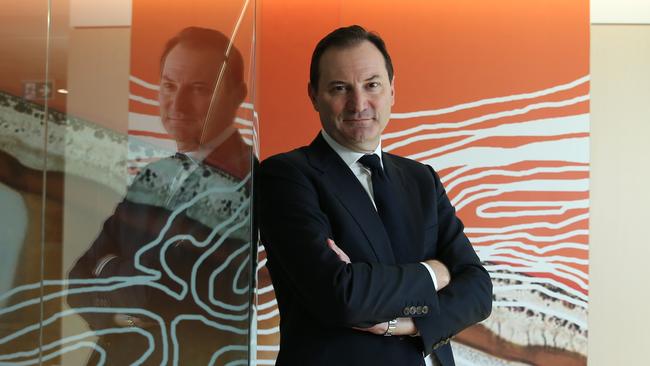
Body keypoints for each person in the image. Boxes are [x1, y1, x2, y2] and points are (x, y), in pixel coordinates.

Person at [259, 25, 492, 366]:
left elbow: (478, 290)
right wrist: (435, 273)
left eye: (372, 85)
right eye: (340, 88)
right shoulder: (287, 176)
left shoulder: (421, 179)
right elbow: (341, 296)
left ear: (392, 90)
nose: (359, 103)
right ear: (313, 95)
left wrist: (404, 325)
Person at [67, 27, 253, 365]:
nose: (177, 104)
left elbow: (156, 293)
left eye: (198, 89)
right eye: (169, 86)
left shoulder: (248, 183)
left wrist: (108, 269)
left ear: (237, 95)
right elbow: (77, 279)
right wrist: (124, 306)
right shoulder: (156, 175)